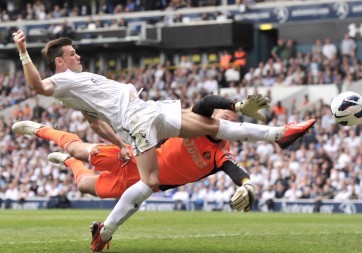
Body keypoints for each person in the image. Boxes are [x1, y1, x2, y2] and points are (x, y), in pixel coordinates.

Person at [13, 30, 316, 251]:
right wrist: (23, 51)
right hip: (137, 119)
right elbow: (38, 86)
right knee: (150, 181)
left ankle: (280, 134)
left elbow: (96, 123)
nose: (77, 55)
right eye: (71, 53)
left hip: (148, 110)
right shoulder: (63, 80)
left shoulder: (78, 84)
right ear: (59, 61)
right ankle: (104, 232)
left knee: (210, 124)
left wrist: (121, 147)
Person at [14, 98, 260, 251]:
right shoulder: (197, 121)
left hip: (142, 182)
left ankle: (67, 162)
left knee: (85, 186)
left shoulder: (220, 154)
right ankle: (41, 130)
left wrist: (247, 185)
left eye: (233, 123)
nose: (229, 124)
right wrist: (234, 105)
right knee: (79, 150)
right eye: (225, 118)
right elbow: (207, 101)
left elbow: (235, 171)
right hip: (135, 156)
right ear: (214, 117)